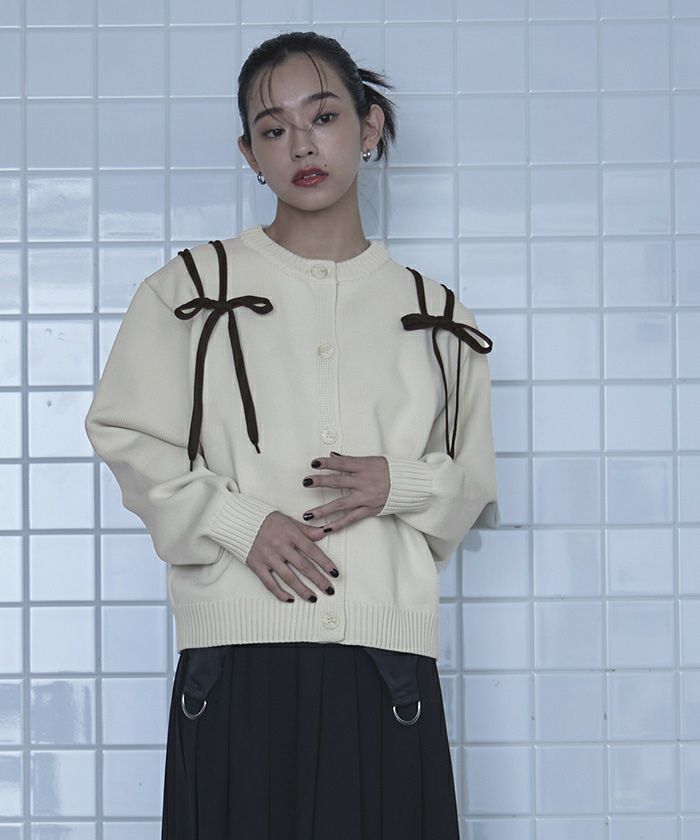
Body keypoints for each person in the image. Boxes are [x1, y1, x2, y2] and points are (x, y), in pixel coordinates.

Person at [84, 29, 500, 840]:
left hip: (387, 668)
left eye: (324, 116)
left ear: (369, 126)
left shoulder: (437, 315)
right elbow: (125, 434)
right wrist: (238, 522)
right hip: (233, 664)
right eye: (273, 128)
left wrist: (401, 482)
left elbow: (470, 487)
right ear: (250, 153)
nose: (302, 144)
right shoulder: (188, 290)